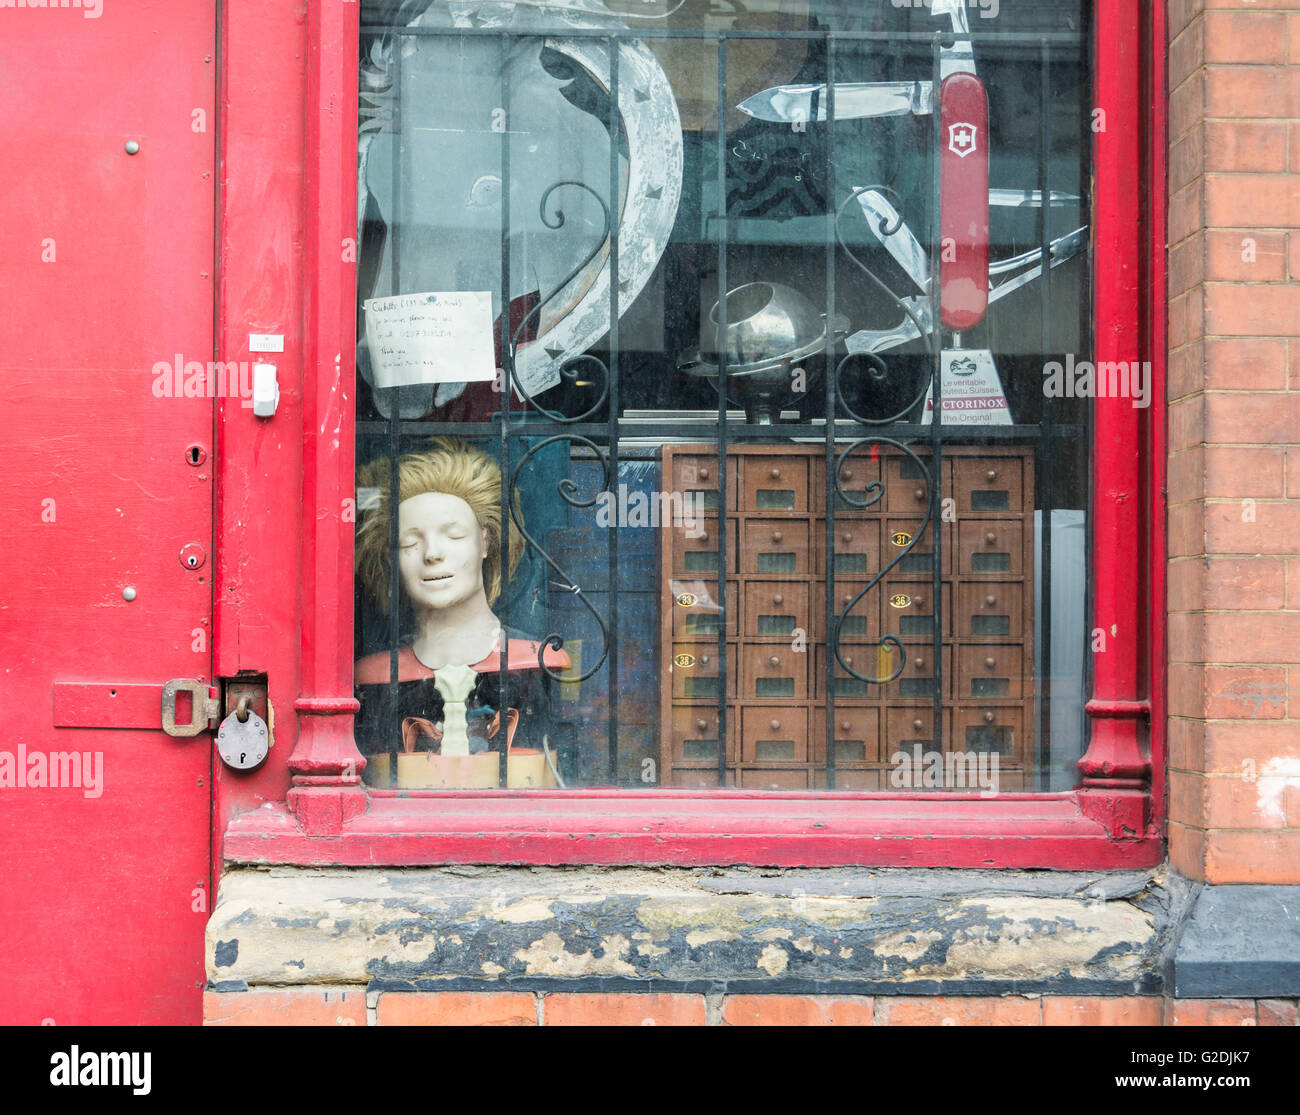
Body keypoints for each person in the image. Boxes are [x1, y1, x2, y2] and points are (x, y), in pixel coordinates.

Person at [353, 438, 568, 779]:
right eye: (409, 542)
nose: (431, 553)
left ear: (485, 541)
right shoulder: (375, 679)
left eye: (453, 535)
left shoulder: (535, 664)